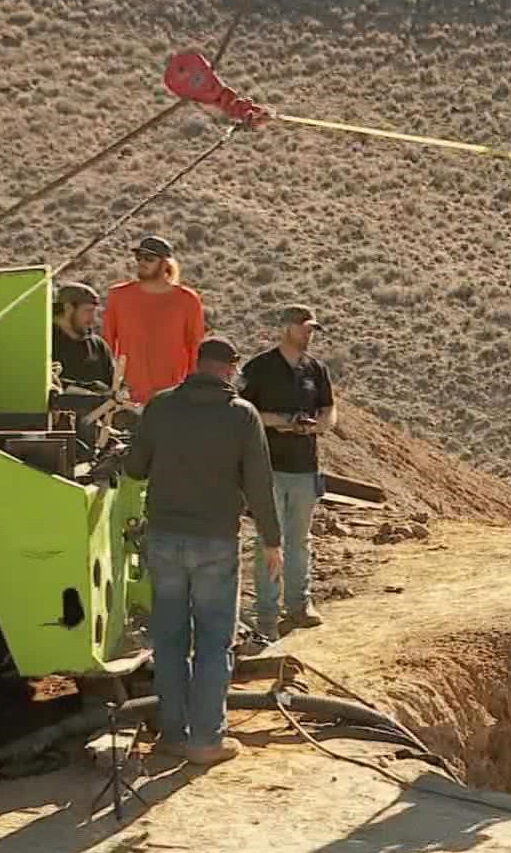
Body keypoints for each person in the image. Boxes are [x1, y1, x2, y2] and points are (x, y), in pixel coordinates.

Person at [124, 336, 282, 766]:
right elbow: (259, 484)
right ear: (230, 370)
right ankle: (207, 739)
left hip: (165, 538)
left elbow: (134, 468)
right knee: (214, 641)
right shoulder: (241, 416)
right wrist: (272, 540)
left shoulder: (159, 406)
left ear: (196, 364)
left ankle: (172, 735)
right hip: (215, 541)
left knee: (170, 639)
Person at [238, 303, 337, 638]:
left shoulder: (316, 369)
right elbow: (245, 412)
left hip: (305, 466)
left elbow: (329, 411)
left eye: (311, 329)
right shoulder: (260, 368)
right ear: (286, 328)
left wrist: (314, 427)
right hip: (268, 466)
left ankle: (298, 604)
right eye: (303, 328)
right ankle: (266, 613)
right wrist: (283, 422)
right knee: (270, 539)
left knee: (300, 540)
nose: (308, 334)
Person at [103, 234, 205, 404]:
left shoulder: (187, 300)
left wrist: (192, 390)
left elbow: (195, 347)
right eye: (139, 257)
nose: (142, 262)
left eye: (149, 258)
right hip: (127, 397)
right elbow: (107, 344)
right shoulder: (118, 296)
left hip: (172, 397)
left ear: (166, 263)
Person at [51, 281, 114, 391]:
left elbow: (113, 383)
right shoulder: (45, 343)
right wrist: (83, 389)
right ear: (68, 308)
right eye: (88, 311)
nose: (93, 319)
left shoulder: (98, 346)